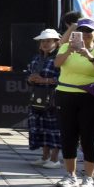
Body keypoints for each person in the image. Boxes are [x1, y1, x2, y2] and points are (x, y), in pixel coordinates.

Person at [53, 18, 94, 187]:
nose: (85, 34)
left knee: (90, 137)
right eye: (82, 31)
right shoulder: (65, 47)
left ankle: (89, 178)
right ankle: (71, 175)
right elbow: (57, 63)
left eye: (89, 31)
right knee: (68, 136)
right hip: (66, 94)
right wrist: (69, 50)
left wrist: (89, 56)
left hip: (91, 97)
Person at [26, 29, 62, 170]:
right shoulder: (37, 58)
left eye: (48, 41)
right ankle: (44, 156)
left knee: (54, 127)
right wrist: (30, 79)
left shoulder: (59, 58)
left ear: (56, 42)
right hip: (38, 96)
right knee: (40, 126)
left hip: (54, 97)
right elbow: (29, 74)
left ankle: (55, 159)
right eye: (43, 41)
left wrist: (45, 80)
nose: (45, 44)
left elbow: (63, 78)